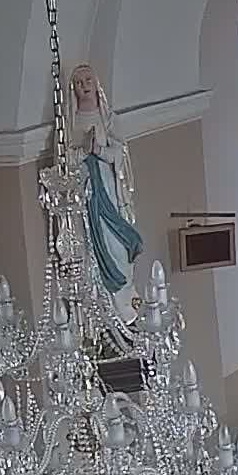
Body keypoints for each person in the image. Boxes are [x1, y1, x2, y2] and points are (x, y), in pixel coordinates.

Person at [66, 64, 145, 350]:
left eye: (88, 80)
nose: (84, 86)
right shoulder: (70, 122)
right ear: (72, 90)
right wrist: (82, 152)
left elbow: (120, 154)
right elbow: (65, 161)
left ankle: (128, 304)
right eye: (78, 83)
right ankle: (111, 313)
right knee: (99, 249)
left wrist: (98, 150)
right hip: (88, 197)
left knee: (120, 247)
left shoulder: (107, 118)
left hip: (110, 191)